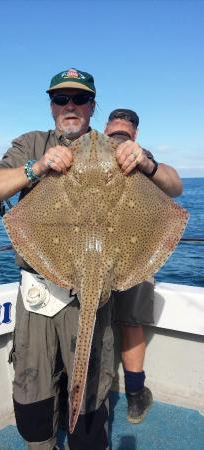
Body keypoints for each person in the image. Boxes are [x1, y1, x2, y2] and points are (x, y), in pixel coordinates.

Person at [0, 68, 114, 450]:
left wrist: (144, 162)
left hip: (89, 288)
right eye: (61, 99)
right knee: (32, 386)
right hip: (38, 288)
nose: (70, 106)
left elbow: (170, 187)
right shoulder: (32, 143)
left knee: (88, 388)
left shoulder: (114, 148)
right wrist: (37, 168)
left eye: (79, 99)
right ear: (52, 105)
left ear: (92, 104)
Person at [104, 108, 183, 424]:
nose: (120, 137)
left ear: (135, 136)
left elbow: (174, 186)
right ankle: (119, 394)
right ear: (104, 130)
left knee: (130, 321)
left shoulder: (144, 159)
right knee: (114, 323)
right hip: (102, 254)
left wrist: (146, 163)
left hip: (134, 256)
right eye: (115, 132)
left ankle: (133, 396)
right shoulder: (84, 153)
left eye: (125, 132)